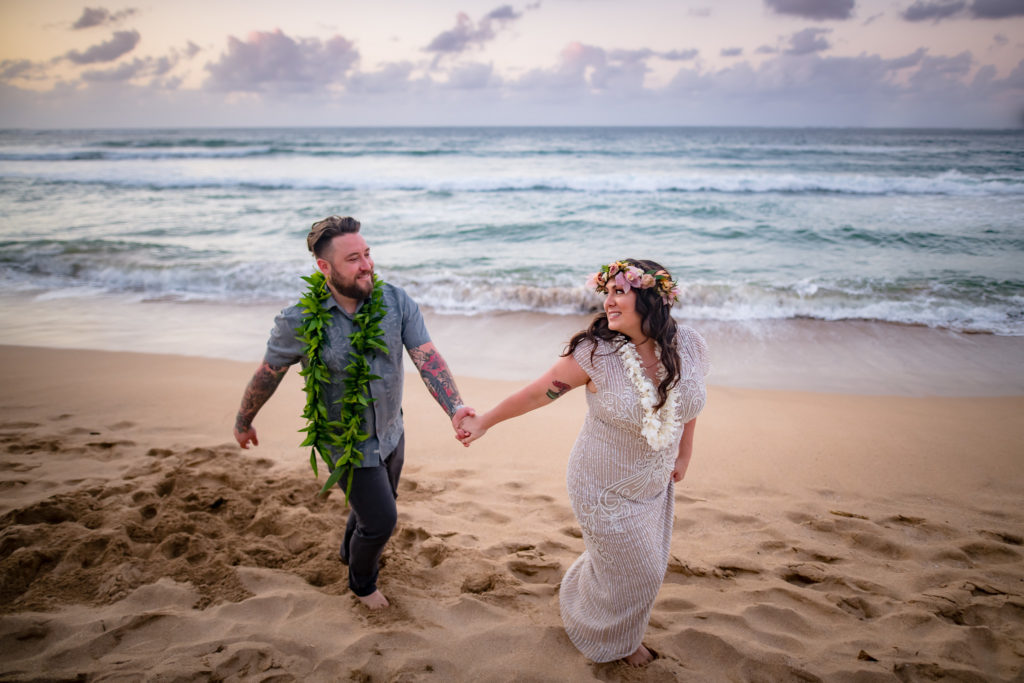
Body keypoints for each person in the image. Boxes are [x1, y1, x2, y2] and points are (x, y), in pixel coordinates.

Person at [456, 258, 709, 667]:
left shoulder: (690, 344)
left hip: (654, 478)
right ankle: (616, 640)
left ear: (651, 298)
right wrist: (485, 421)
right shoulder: (595, 353)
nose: (608, 302)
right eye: (605, 293)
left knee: (647, 565)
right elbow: (538, 393)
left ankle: (611, 616)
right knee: (640, 572)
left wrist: (684, 452)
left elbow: (687, 399)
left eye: (619, 292)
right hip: (601, 482)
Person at [233, 215, 473, 611]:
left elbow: (426, 357)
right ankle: (361, 584)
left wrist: (455, 407)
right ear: (324, 267)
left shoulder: (395, 301)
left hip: (391, 430)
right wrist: (244, 420)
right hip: (346, 442)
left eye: (367, 254)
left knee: (380, 502)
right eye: (353, 259)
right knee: (381, 521)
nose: (366, 265)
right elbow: (269, 372)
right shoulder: (300, 320)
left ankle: (348, 550)